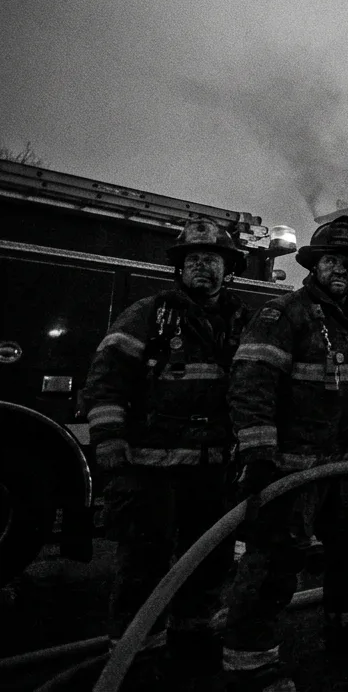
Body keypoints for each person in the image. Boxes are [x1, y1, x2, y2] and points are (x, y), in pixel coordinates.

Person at [221, 215, 348, 692]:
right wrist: (258, 453)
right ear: (314, 266)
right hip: (292, 469)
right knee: (275, 563)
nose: (341, 268)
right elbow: (252, 385)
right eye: (332, 260)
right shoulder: (284, 315)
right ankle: (250, 661)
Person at [82, 219, 251, 676]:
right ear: (179, 268)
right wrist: (109, 439)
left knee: (210, 555)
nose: (202, 267)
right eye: (193, 259)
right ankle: (138, 651)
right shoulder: (149, 314)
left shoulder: (242, 321)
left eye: (212, 259)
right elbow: (106, 378)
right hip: (149, 467)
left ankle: (193, 630)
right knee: (144, 562)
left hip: (213, 466)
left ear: (228, 269)